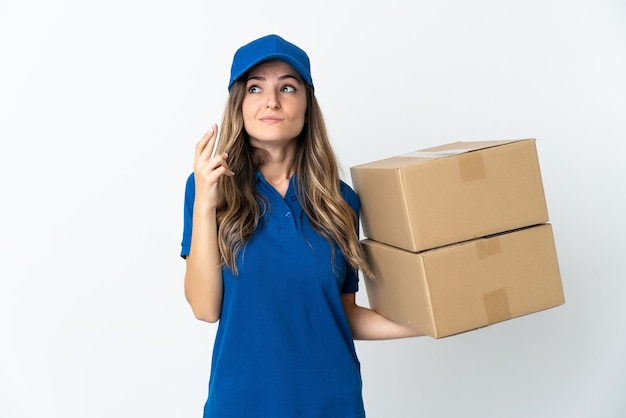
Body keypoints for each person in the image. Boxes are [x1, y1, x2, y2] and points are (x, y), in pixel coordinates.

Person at [181, 34, 423, 418]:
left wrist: (433, 320)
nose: (272, 101)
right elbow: (205, 308)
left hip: (332, 404)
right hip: (241, 405)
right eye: (256, 88)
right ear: (239, 106)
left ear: (308, 105)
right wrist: (207, 203)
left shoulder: (341, 200)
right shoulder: (207, 187)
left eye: (288, 87)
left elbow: (342, 312)